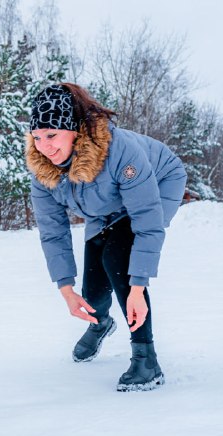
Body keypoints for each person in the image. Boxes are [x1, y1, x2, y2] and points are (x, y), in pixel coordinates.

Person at [26, 83, 187, 392]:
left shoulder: (118, 151)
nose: (44, 146)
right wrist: (65, 288)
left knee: (118, 257)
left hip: (159, 183)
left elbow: (147, 222)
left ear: (74, 130)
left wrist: (137, 286)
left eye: (52, 135)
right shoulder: (42, 169)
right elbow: (52, 231)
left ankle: (146, 360)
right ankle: (99, 322)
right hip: (105, 201)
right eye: (37, 136)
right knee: (94, 275)